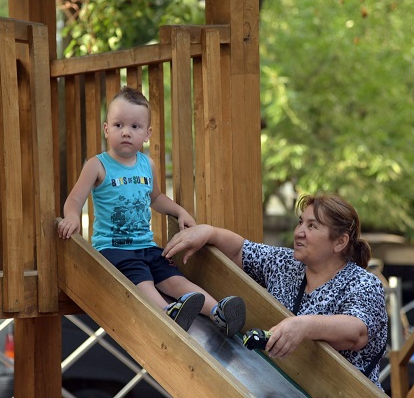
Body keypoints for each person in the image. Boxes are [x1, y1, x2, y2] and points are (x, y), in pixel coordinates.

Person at [58, 86, 245, 336]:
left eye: (135, 127)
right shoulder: (97, 165)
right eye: (118, 125)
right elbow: (74, 199)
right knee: (142, 279)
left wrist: (180, 211)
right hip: (114, 249)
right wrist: (71, 216)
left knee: (171, 275)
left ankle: (217, 311)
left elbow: (155, 198)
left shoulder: (148, 165)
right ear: (106, 129)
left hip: (146, 246)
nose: (126, 132)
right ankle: (168, 311)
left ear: (147, 134)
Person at [162, 192, 388, 388]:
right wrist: (208, 232)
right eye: (300, 222)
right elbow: (239, 250)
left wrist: (303, 325)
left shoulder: (364, 283)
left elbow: (357, 332)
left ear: (339, 242)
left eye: (312, 226)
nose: (299, 231)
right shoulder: (285, 263)